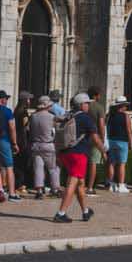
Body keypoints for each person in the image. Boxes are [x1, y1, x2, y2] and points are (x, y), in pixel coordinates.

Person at [53, 93, 96, 223]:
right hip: (78, 153)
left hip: (65, 152)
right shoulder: (85, 117)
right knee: (72, 182)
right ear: (82, 105)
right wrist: (104, 150)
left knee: (80, 183)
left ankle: (85, 211)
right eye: (87, 103)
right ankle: (61, 213)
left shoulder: (68, 115)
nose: (88, 105)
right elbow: (94, 136)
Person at [27, 96, 58, 197]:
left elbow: (29, 130)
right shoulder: (52, 117)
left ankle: (39, 190)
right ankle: (55, 189)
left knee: (38, 168)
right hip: (48, 144)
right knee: (52, 168)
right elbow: (54, 131)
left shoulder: (33, 116)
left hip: (36, 144)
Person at [104, 97, 132, 194]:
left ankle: (111, 184)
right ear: (122, 106)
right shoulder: (126, 116)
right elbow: (129, 131)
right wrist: (131, 143)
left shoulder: (109, 115)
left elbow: (106, 128)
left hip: (111, 140)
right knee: (121, 164)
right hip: (122, 141)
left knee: (111, 163)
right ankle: (121, 185)